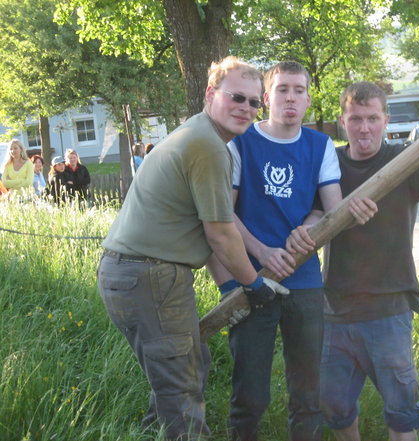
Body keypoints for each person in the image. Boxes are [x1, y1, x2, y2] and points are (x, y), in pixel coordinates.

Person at [97, 56, 289, 441]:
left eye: (255, 102)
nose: (247, 109)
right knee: (181, 393)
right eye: (237, 97)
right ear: (210, 93)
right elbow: (220, 233)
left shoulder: (196, 133)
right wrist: (253, 285)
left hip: (132, 274)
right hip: (151, 277)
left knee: (185, 369)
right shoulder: (208, 146)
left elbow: (213, 229)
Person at [206, 61, 375, 441]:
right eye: (282, 89)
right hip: (251, 280)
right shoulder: (240, 143)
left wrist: (311, 226)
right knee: (250, 394)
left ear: (308, 99)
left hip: (304, 281)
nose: (291, 97)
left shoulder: (320, 146)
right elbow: (223, 214)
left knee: (308, 393)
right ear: (267, 98)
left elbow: (331, 208)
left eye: (299, 90)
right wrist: (262, 252)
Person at [318, 82, 419, 441]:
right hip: (334, 309)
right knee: (334, 408)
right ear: (343, 121)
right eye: (355, 119)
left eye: (372, 118)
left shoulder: (404, 160)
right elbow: (311, 217)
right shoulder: (329, 165)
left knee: (403, 413)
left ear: (386, 119)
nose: (364, 128)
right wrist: (339, 211)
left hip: (389, 309)